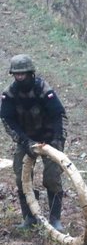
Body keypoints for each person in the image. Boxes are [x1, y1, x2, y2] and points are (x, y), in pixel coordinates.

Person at [1, 54, 68, 231]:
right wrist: (24, 141)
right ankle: (29, 218)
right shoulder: (9, 94)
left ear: (31, 73)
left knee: (52, 177)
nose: (20, 77)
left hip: (50, 138)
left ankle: (55, 219)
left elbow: (58, 115)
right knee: (21, 176)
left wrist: (57, 141)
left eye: (23, 73)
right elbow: (8, 121)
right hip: (26, 139)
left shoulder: (44, 90)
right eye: (17, 74)